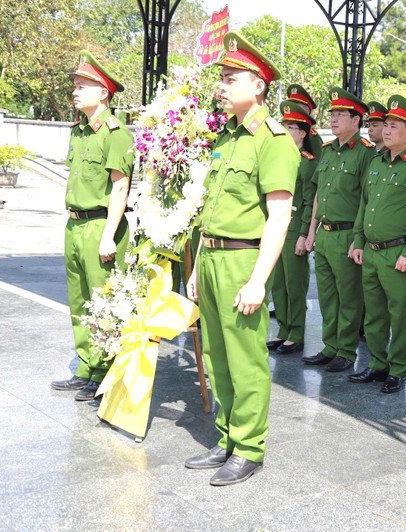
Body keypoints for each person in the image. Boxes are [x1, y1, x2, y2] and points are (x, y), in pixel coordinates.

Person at [183, 32, 299, 486]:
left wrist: (257, 281)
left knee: (245, 358)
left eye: (232, 78)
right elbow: (212, 211)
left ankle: (249, 448)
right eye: (223, 78)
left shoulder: (273, 140)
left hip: (242, 262)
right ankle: (228, 437)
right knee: (216, 356)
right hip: (211, 260)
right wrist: (195, 267)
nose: (223, 85)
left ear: (259, 86)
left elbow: (279, 217)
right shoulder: (227, 138)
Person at [50, 51, 133, 402]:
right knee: (80, 303)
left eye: (83, 85)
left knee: (104, 304)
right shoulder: (80, 131)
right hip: (74, 224)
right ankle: (86, 367)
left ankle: (105, 374)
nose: (75, 91)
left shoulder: (116, 133)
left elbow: (120, 186)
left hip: (100, 224)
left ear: (104, 92)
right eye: (75, 85)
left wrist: (109, 235)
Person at [348, 95, 406, 393]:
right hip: (370, 251)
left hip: (397, 253)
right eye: (386, 124)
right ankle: (377, 363)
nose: (386, 130)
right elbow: (364, 205)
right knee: (374, 313)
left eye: (394, 125)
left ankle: (398, 368)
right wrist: (358, 240)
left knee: (398, 313)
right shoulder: (376, 162)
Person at [302, 88, 375, 372]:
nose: (333, 118)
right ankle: (330, 346)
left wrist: (358, 238)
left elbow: (367, 198)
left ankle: (346, 350)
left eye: (340, 114)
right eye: (332, 114)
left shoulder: (365, 153)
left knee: (349, 296)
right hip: (325, 233)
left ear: (356, 120)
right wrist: (311, 232)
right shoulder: (328, 151)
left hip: (347, 233)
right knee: (327, 295)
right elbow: (320, 192)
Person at [266, 100, 318, 355]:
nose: (285, 130)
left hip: (295, 226)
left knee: (295, 284)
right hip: (276, 227)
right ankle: (284, 330)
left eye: (291, 127)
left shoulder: (307, 163)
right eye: (283, 125)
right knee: (278, 283)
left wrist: (304, 235)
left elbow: (309, 201)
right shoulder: (277, 158)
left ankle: (296, 333)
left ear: (303, 133)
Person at [287, 84, 323, 158]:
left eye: (296, 107)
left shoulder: (313, 137)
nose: (291, 109)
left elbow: (318, 163)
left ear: (306, 111)